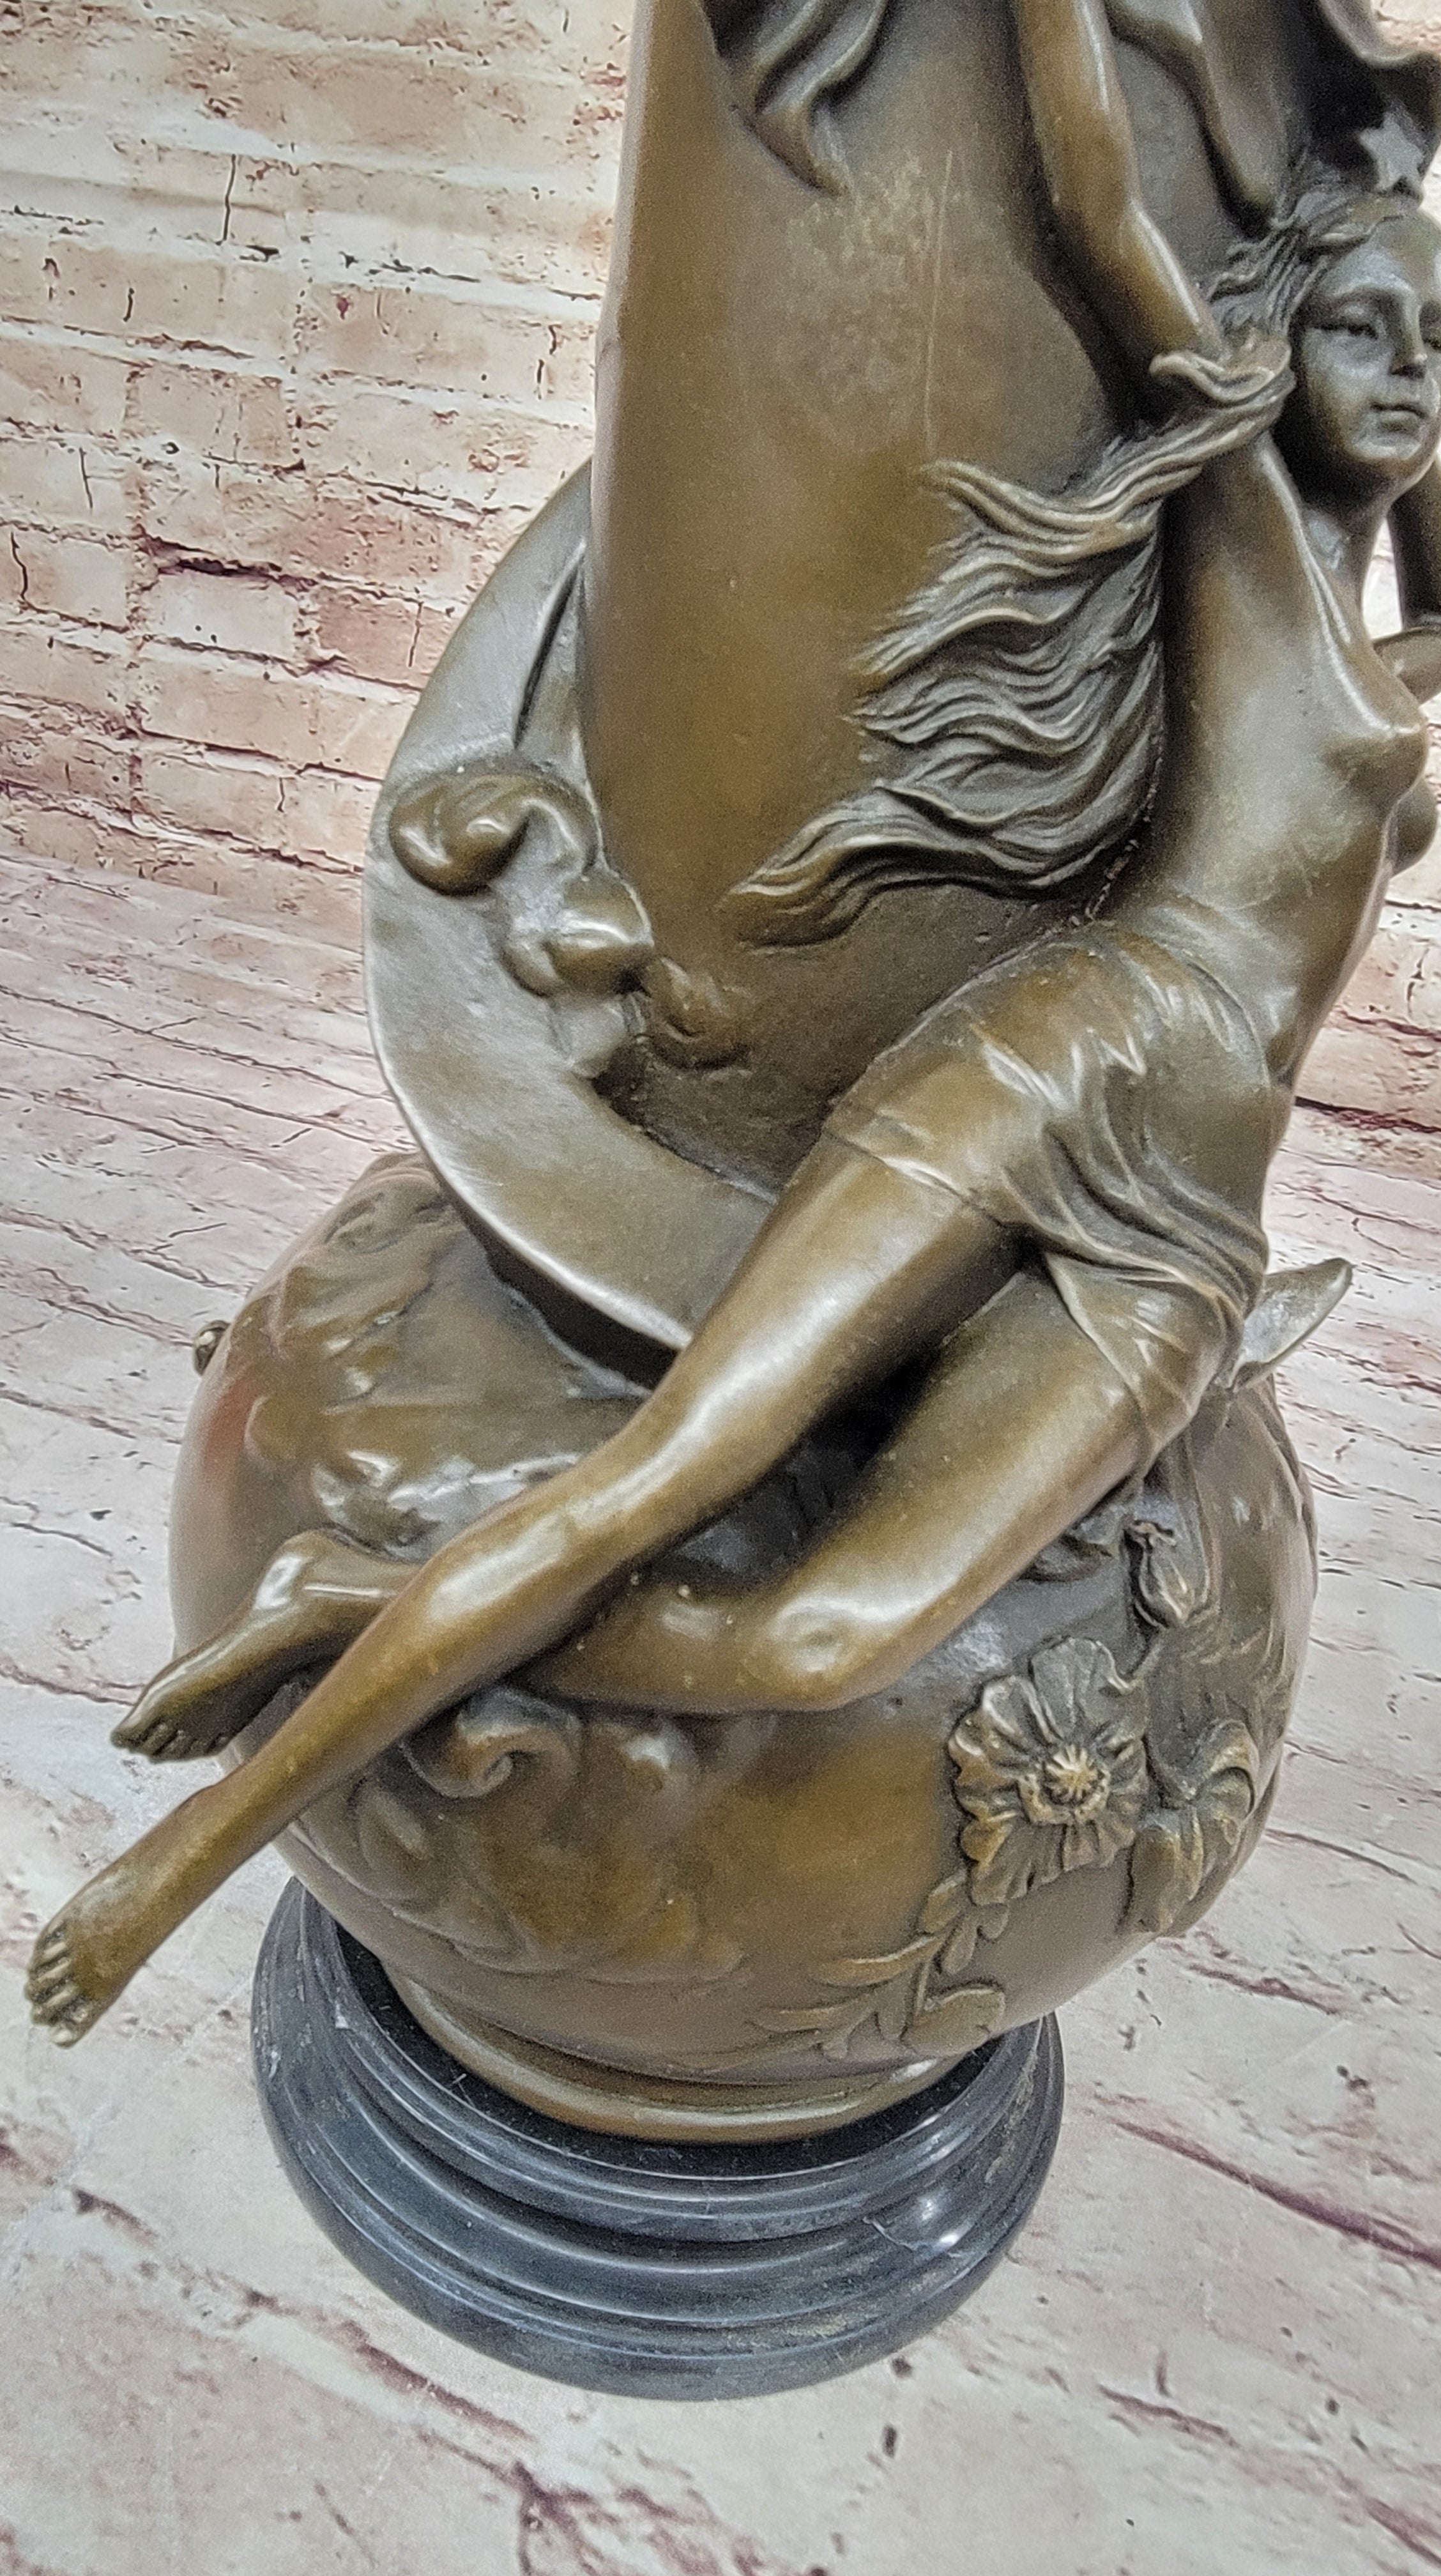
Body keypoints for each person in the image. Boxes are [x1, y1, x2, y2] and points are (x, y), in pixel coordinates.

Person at [27, 0, 1441, 2041]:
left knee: (824, 1639)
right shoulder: (1243, 539)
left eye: (1435, 347)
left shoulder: (1409, 649)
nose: (1403, 379)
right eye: (1363, 334)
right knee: (675, 1466)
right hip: (1069, 1060)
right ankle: (181, 1858)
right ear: (1280, 346)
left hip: (1183, 1236)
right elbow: (1107, 208)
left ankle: (365, 1611)